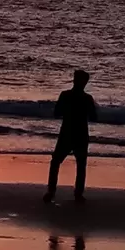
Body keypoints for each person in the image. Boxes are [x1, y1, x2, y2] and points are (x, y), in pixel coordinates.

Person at [44, 69, 97, 203]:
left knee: (56, 162)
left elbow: (56, 113)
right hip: (81, 134)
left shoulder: (65, 95)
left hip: (67, 132)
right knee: (80, 165)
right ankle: (78, 194)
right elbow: (94, 117)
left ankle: (51, 192)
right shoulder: (87, 98)